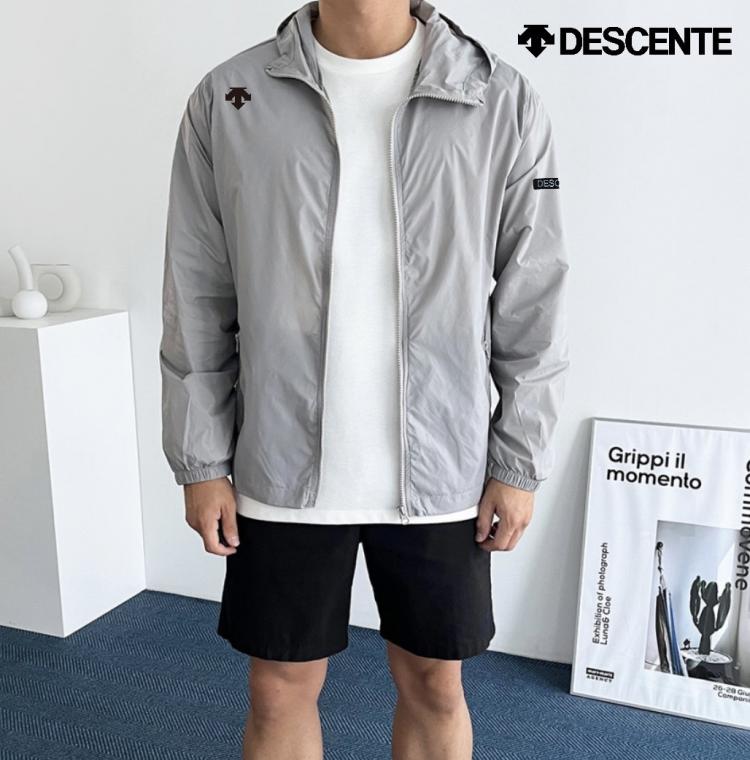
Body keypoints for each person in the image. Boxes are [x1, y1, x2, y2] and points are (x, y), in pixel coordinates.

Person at [159, 0, 569, 757]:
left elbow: (533, 296)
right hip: (280, 458)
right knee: (277, 688)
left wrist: (519, 462)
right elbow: (197, 291)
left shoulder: (498, 98)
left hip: (442, 465)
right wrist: (201, 460)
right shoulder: (230, 97)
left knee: (435, 683)